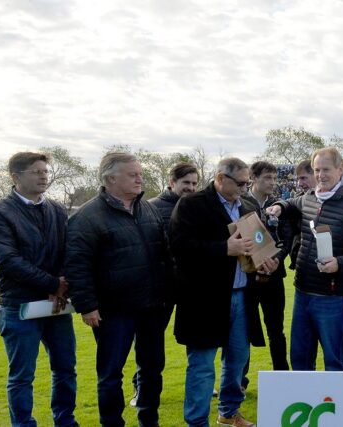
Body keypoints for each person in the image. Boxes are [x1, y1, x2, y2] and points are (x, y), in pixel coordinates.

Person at [66, 152, 172, 427]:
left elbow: (164, 253)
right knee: (111, 373)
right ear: (110, 178)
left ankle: (149, 421)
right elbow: (77, 265)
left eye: (140, 173)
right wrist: (87, 305)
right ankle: (112, 423)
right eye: (132, 174)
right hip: (113, 311)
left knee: (152, 369)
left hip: (151, 306)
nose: (140, 178)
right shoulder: (87, 216)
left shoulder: (147, 208)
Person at [170, 157, 275, 427]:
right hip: (205, 300)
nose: (245, 187)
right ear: (220, 178)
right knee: (203, 365)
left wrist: (265, 263)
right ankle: (197, 422)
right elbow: (179, 247)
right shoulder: (192, 204)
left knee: (238, 360)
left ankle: (229, 412)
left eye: (247, 182)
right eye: (240, 182)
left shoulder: (248, 206)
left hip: (242, 295)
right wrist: (223, 249)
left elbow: (258, 247)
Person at [0, 152, 78, 427]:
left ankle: (65, 420)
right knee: (22, 375)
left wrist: (62, 282)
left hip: (56, 305)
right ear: (15, 176)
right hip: (19, 305)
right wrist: (52, 283)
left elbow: (69, 250)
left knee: (65, 369)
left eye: (45, 171)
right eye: (36, 171)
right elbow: (7, 260)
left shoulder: (58, 209)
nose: (44, 176)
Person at [266, 147, 343, 372]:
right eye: (317, 170)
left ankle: (335, 406)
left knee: (334, 361)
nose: (320, 175)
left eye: (325, 169)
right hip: (303, 292)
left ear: (340, 169)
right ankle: (303, 404)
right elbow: (292, 204)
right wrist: (279, 206)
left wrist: (339, 263)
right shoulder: (310, 198)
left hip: (333, 297)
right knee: (300, 358)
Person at [124, 161, 197, 407]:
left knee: (196, 340)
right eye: (185, 183)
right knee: (150, 343)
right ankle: (140, 389)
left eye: (194, 183)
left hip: (192, 287)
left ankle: (199, 384)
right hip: (162, 289)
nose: (190, 188)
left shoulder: (198, 207)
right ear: (171, 183)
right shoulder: (150, 208)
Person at [244, 161, 290, 374]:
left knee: (276, 330)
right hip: (247, 278)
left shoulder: (280, 206)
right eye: (267, 178)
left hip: (274, 276)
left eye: (274, 178)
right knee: (243, 331)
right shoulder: (240, 203)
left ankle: (281, 375)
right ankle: (239, 381)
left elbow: (287, 238)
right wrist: (256, 262)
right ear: (253, 178)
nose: (272, 182)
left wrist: (277, 259)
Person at [287, 159, 314, 270]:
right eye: (298, 179)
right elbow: (291, 233)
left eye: (303, 178)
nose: (299, 183)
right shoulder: (297, 201)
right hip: (302, 265)